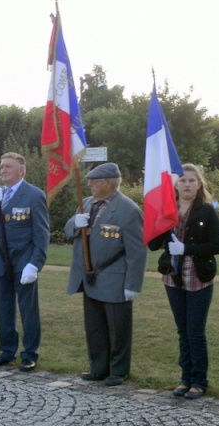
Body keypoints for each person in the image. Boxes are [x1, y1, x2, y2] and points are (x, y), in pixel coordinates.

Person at [64, 162, 147, 387]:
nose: (90, 184)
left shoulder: (128, 209)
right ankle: (98, 367)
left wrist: (133, 284)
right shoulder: (87, 203)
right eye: (89, 180)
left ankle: (118, 370)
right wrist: (74, 223)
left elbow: (137, 251)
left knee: (117, 328)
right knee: (95, 326)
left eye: (95, 181)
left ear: (110, 183)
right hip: (89, 276)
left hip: (114, 277)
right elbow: (68, 231)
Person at [148, 163, 219, 399]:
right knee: (182, 330)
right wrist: (156, 219)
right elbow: (153, 245)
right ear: (175, 185)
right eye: (183, 181)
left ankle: (199, 381)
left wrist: (186, 248)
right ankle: (185, 379)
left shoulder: (206, 211)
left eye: (192, 180)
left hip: (198, 277)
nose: (187, 184)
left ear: (199, 184)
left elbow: (216, 245)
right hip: (173, 277)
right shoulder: (168, 209)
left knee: (195, 331)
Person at [0, 152, 50, 372]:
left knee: (28, 310)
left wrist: (35, 263)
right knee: (4, 309)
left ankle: (29, 354)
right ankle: (7, 351)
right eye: (1, 166)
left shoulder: (33, 195)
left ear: (21, 170)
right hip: (0, 261)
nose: (3, 170)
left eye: (8, 166)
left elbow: (42, 233)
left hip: (23, 261)